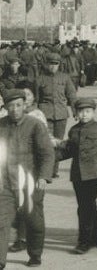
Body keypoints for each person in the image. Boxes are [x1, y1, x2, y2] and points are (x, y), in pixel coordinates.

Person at [0, 89, 55, 268]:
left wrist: (44, 177)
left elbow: (47, 153)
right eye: (11, 105)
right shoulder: (1, 125)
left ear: (25, 105)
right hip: (6, 183)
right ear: (5, 107)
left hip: (31, 183)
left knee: (34, 222)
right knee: (2, 221)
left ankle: (35, 254)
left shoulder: (35, 125)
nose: (14, 109)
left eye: (18, 105)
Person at [55, 97, 97, 254]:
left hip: (94, 173)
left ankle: (84, 241)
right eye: (81, 112)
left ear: (93, 112)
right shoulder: (74, 130)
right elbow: (69, 150)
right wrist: (51, 157)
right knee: (89, 205)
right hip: (78, 173)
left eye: (88, 111)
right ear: (76, 113)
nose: (84, 115)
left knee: (85, 206)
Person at [37, 51, 78, 178]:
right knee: (47, 143)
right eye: (50, 64)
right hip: (45, 113)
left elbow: (71, 95)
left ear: (59, 65)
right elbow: (36, 98)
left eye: (56, 64)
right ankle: (46, 171)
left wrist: (75, 111)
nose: (53, 66)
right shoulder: (40, 79)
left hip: (61, 114)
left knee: (58, 143)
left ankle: (54, 170)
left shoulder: (65, 78)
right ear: (46, 64)